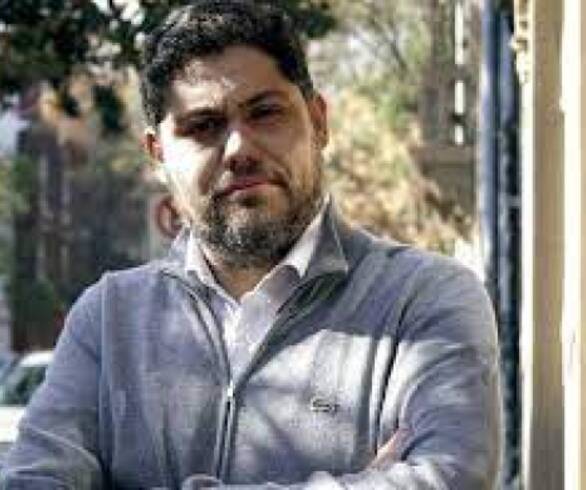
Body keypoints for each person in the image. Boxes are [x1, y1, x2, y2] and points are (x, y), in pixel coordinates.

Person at [1, 1, 502, 488]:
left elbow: (450, 476)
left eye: (265, 113)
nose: (239, 148)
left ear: (318, 122)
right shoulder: (108, 319)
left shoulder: (423, 301)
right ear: (158, 155)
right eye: (203, 127)